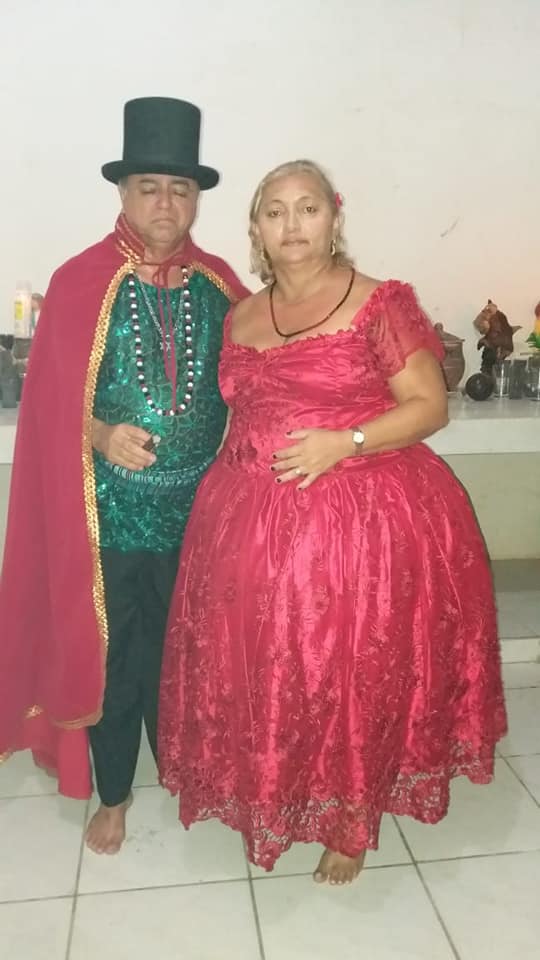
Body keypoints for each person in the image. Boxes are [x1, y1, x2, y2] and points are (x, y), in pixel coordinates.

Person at [158, 159, 507, 885]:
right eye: (275, 211)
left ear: (333, 218)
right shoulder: (240, 315)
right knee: (270, 667)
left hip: (357, 518)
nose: (292, 224)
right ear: (256, 228)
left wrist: (343, 442)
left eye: (308, 208)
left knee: (346, 670)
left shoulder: (379, 303)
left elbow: (429, 407)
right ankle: (274, 784)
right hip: (247, 515)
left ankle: (351, 816)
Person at [0, 97, 248, 854]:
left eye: (180, 189)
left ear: (196, 198)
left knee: (185, 651)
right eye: (149, 187)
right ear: (122, 192)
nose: (165, 204)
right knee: (115, 655)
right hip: (106, 516)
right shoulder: (81, 281)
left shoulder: (220, 284)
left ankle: (184, 768)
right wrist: (102, 434)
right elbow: (46, 406)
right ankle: (113, 793)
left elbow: (259, 386)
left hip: (199, 516)